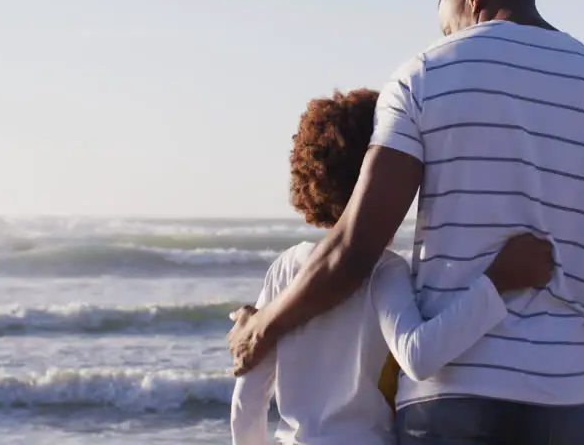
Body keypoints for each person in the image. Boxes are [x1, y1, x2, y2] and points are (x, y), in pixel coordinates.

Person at [230, 0, 584, 445]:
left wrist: (264, 325)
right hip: (564, 397)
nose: (450, 39)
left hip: (449, 396)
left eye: (449, 27)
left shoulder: (421, 77)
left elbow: (356, 246)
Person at [230, 88, 555, 445]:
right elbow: (419, 354)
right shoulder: (384, 271)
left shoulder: (285, 268)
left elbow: (248, 396)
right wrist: (498, 281)